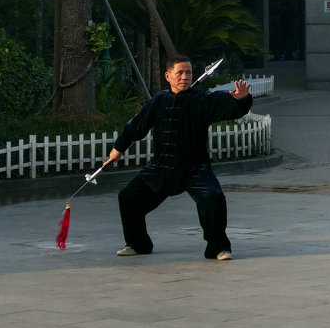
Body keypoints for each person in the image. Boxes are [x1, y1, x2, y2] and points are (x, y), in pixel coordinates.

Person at [107, 56, 252, 260]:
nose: (185, 77)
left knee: (214, 198)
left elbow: (227, 104)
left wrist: (241, 98)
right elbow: (137, 124)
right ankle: (138, 243)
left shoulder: (202, 99)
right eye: (180, 73)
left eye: (189, 73)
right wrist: (118, 148)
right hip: (161, 167)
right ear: (168, 76)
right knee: (128, 198)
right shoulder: (159, 100)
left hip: (195, 168)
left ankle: (218, 247)